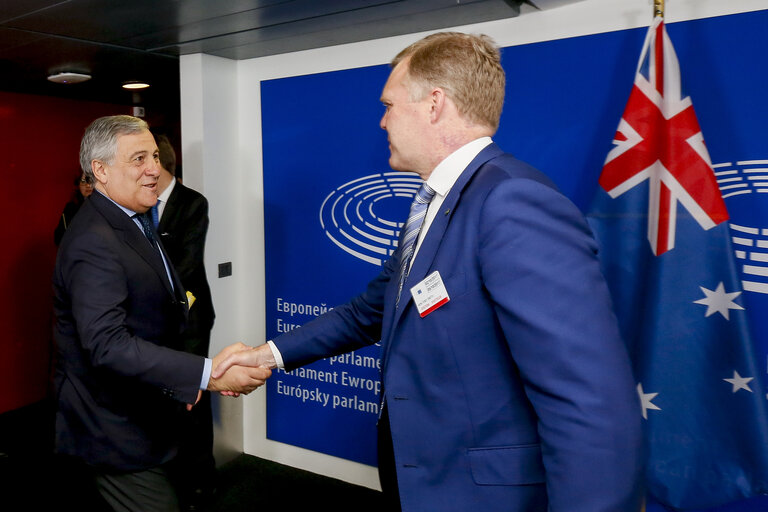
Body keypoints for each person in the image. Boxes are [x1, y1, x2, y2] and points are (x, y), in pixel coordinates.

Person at [215, 32, 644, 511]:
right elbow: (370, 311)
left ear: (434, 104)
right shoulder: (433, 203)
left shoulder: (513, 202)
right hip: (422, 478)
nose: (381, 121)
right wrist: (268, 356)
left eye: (389, 105)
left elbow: (587, 399)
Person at [52, 115, 270, 512]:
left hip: (146, 413)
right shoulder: (93, 240)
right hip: (114, 427)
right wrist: (204, 373)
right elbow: (107, 345)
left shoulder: (131, 219)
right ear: (99, 170)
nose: (154, 169)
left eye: (154, 156)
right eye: (138, 159)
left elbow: (159, 313)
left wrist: (180, 382)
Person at [151, 133, 218, 510]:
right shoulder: (138, 205)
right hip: (155, 320)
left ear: (160, 162)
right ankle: (170, 476)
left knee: (191, 400)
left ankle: (200, 483)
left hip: (190, 320)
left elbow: (186, 266)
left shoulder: (192, 203)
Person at [54, 172, 93, 245]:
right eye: (83, 181)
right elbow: (58, 237)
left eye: (90, 181)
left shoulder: (104, 206)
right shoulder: (71, 207)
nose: (87, 185)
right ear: (78, 184)